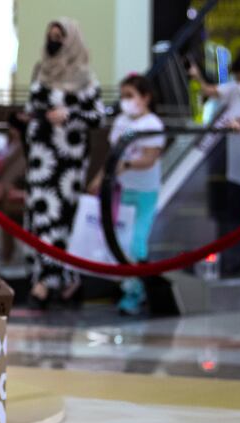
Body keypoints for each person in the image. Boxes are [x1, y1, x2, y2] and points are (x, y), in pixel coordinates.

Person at [23, 18, 104, 307]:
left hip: (69, 160)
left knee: (63, 218)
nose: (54, 40)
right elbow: (31, 107)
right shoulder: (41, 70)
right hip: (41, 156)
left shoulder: (85, 76)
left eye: (60, 36)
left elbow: (98, 117)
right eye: (50, 35)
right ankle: (48, 280)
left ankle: (54, 282)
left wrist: (69, 115)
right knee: (41, 216)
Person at [189, 51, 240, 274]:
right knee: (235, 220)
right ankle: (237, 260)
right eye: (239, 78)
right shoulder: (235, 90)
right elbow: (211, 91)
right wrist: (196, 76)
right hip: (236, 171)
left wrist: (239, 121)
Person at [91, 74, 166, 315]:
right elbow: (113, 155)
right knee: (120, 242)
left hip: (145, 193)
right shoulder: (122, 121)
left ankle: (138, 291)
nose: (126, 101)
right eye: (123, 96)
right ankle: (127, 288)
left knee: (138, 243)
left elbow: (150, 157)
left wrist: (127, 165)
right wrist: (100, 178)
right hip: (122, 192)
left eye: (131, 96)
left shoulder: (153, 124)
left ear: (145, 98)